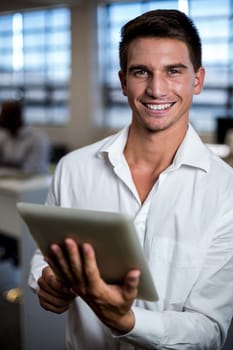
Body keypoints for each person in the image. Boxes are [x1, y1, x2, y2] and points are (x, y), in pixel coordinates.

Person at [28, 9, 233, 350]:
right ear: (123, 82)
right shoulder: (73, 168)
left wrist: (127, 321)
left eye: (173, 71)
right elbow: (44, 256)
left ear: (197, 80)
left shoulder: (226, 191)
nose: (156, 88)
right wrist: (46, 281)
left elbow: (209, 329)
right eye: (141, 72)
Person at [0, 99, 50, 174]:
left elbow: (30, 170)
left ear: (16, 117)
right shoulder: (3, 136)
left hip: (34, 182)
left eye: (4, 115)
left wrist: (7, 165)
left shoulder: (37, 138)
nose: (1, 119)